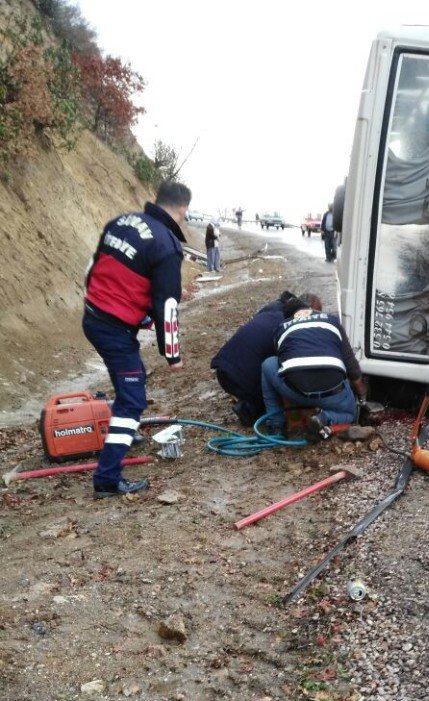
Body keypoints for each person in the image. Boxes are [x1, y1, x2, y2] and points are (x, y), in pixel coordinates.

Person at [82, 179, 191, 497]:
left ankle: (125, 430)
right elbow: (166, 305)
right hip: (114, 328)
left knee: (132, 379)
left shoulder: (122, 222)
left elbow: (96, 268)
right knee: (133, 399)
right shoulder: (167, 245)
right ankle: (106, 480)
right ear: (183, 209)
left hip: (93, 315)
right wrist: (173, 355)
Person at [261, 301, 367, 440]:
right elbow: (350, 364)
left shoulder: (281, 328)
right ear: (310, 310)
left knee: (268, 363)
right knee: (349, 414)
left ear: (288, 318)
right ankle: (323, 418)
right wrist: (361, 395)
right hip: (332, 393)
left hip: (297, 391)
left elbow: (282, 363)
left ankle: (276, 427)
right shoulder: (332, 321)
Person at [210, 291, 319, 426]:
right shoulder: (288, 327)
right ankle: (248, 409)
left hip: (222, 370)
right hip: (238, 379)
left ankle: (248, 398)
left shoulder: (272, 309)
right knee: (277, 386)